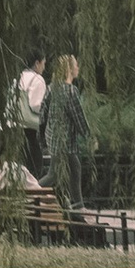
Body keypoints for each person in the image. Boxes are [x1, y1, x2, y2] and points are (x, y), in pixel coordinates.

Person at [44, 52, 89, 213]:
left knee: (74, 167)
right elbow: (78, 117)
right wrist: (89, 137)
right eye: (76, 65)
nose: (78, 68)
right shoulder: (70, 91)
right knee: (54, 175)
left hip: (53, 139)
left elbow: (43, 114)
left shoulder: (51, 88)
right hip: (65, 141)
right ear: (69, 69)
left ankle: (78, 205)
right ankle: (28, 194)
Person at [15, 50, 49, 175]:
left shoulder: (19, 77)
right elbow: (35, 105)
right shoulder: (38, 79)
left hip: (12, 126)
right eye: (43, 64)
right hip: (27, 127)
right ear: (37, 63)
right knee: (35, 166)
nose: (44, 68)